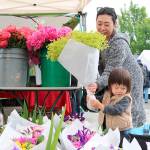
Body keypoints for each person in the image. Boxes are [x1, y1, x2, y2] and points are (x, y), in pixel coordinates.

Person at [87, 7, 146, 127]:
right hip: (116, 79)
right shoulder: (101, 40)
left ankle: (131, 137)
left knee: (128, 113)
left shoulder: (118, 43)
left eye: (107, 24)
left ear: (115, 24)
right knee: (114, 110)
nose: (102, 28)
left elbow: (111, 70)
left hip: (130, 80)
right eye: (99, 24)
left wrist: (97, 84)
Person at [87, 68, 132, 147]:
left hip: (122, 130)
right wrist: (91, 99)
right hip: (106, 128)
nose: (119, 90)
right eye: (116, 87)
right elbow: (98, 102)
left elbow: (115, 110)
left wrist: (100, 106)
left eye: (123, 88)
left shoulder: (126, 98)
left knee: (121, 146)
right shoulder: (107, 94)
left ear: (128, 88)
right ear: (110, 86)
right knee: (107, 146)